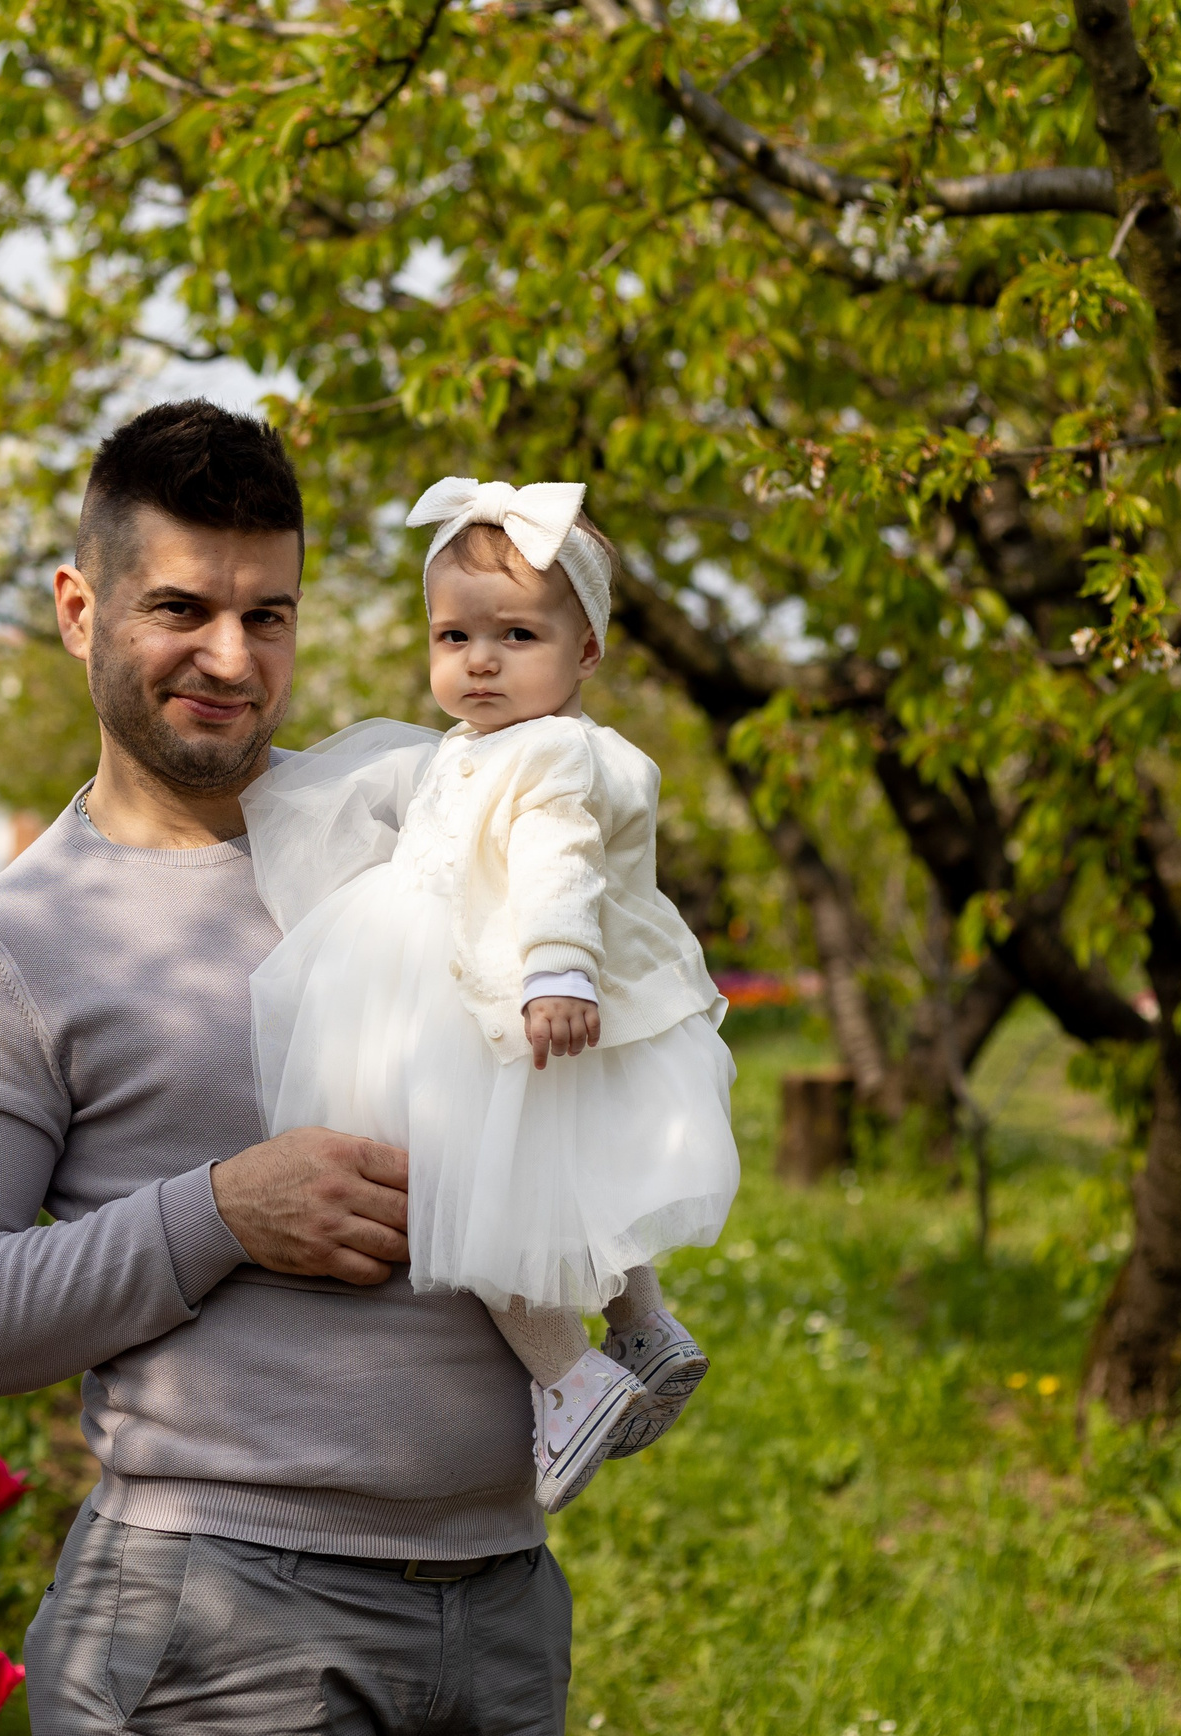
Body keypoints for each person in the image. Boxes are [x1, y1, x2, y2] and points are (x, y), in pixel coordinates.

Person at [0, 402, 571, 1735]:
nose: (231, 658)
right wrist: (221, 1214)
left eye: (270, 616)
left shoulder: (406, 830)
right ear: (80, 609)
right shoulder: (20, 943)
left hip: (503, 1605)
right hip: (221, 1627)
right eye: (182, 607)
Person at [243, 478, 740, 1514]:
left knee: (470, 1196)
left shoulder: (552, 750)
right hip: (478, 990)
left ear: (586, 652)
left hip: (505, 996)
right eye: (454, 634)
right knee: (564, 1183)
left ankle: (570, 1380)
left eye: (516, 634)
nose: (479, 659)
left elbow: (559, 859)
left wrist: (557, 965)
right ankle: (643, 1324)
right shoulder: (471, 750)